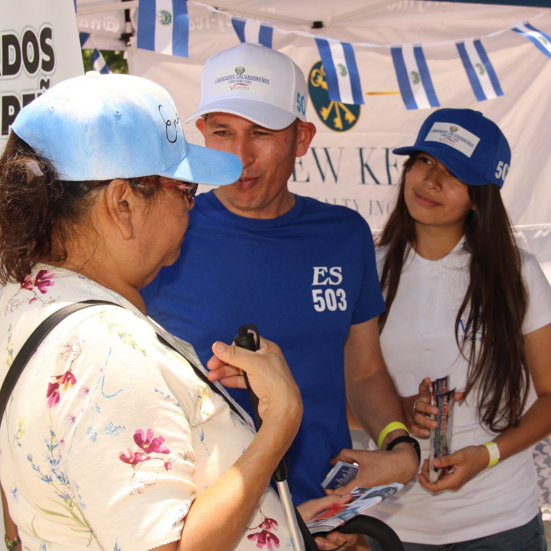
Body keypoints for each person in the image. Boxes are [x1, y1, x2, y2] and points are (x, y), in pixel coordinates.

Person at [0, 72, 352, 551]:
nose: (191, 209)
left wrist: (277, 523)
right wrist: (281, 424)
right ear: (122, 203)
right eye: (185, 191)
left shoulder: (24, 295)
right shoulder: (106, 350)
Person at [141, 42, 419, 509]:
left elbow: (364, 368)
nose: (240, 156)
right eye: (223, 132)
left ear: (302, 138)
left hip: (327, 512)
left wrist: (399, 446)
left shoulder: (343, 235)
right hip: (208, 522)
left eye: (262, 133)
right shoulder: (165, 231)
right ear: (203, 132)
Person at [366, 108, 551, 550]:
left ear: (480, 196)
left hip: (501, 523)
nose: (430, 180)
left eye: (454, 173)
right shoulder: (366, 269)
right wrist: (399, 413)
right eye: (424, 161)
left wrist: (487, 455)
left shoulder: (517, 273)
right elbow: (340, 393)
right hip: (391, 526)